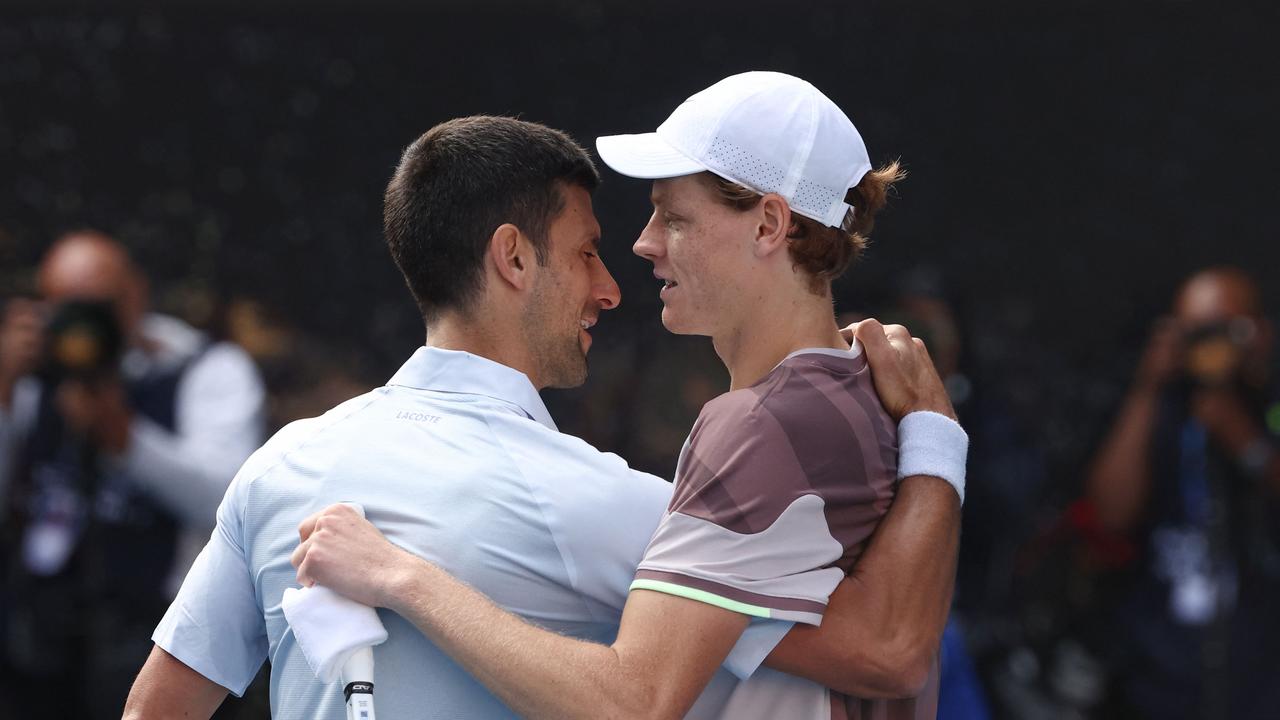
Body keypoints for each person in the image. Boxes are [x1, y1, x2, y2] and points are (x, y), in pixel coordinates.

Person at [125, 110, 961, 719]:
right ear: (513, 258)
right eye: (587, 252)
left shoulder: (282, 466)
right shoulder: (605, 505)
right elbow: (885, 652)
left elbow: (154, 710)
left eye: (670, 220)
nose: (613, 281)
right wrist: (934, 440)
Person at [0, 231, 266, 719]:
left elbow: (232, 502)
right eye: (65, 308)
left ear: (136, 295)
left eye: (97, 307)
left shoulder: (202, 367)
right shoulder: (32, 373)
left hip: (153, 633)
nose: (82, 327)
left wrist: (126, 440)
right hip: (36, 638)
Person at [1085, 267, 1280, 719]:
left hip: (1262, 677)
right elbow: (1109, 513)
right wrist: (1148, 386)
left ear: (1260, 332)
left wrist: (1245, 440)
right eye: (1196, 331)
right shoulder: (1162, 407)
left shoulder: (1270, 405)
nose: (1210, 345)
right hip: (1159, 678)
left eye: (1224, 329)